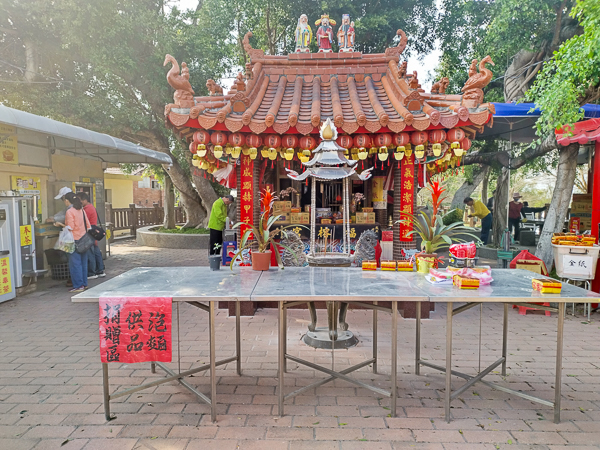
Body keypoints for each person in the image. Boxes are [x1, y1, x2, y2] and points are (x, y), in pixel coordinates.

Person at [55, 192, 90, 293]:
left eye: (65, 200)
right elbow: (88, 225)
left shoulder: (70, 211)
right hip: (84, 240)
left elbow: (70, 227)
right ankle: (84, 284)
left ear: (67, 201)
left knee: (75, 264)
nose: (65, 202)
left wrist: (60, 224)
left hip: (74, 240)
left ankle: (78, 285)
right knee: (83, 263)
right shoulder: (81, 210)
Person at [76, 192, 106, 279]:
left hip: (89, 233)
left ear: (85, 200)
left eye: (80, 200)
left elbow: (81, 221)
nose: (79, 202)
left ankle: (91, 273)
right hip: (93, 233)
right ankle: (100, 270)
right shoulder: (91, 207)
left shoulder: (87, 209)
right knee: (96, 252)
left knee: (90, 253)